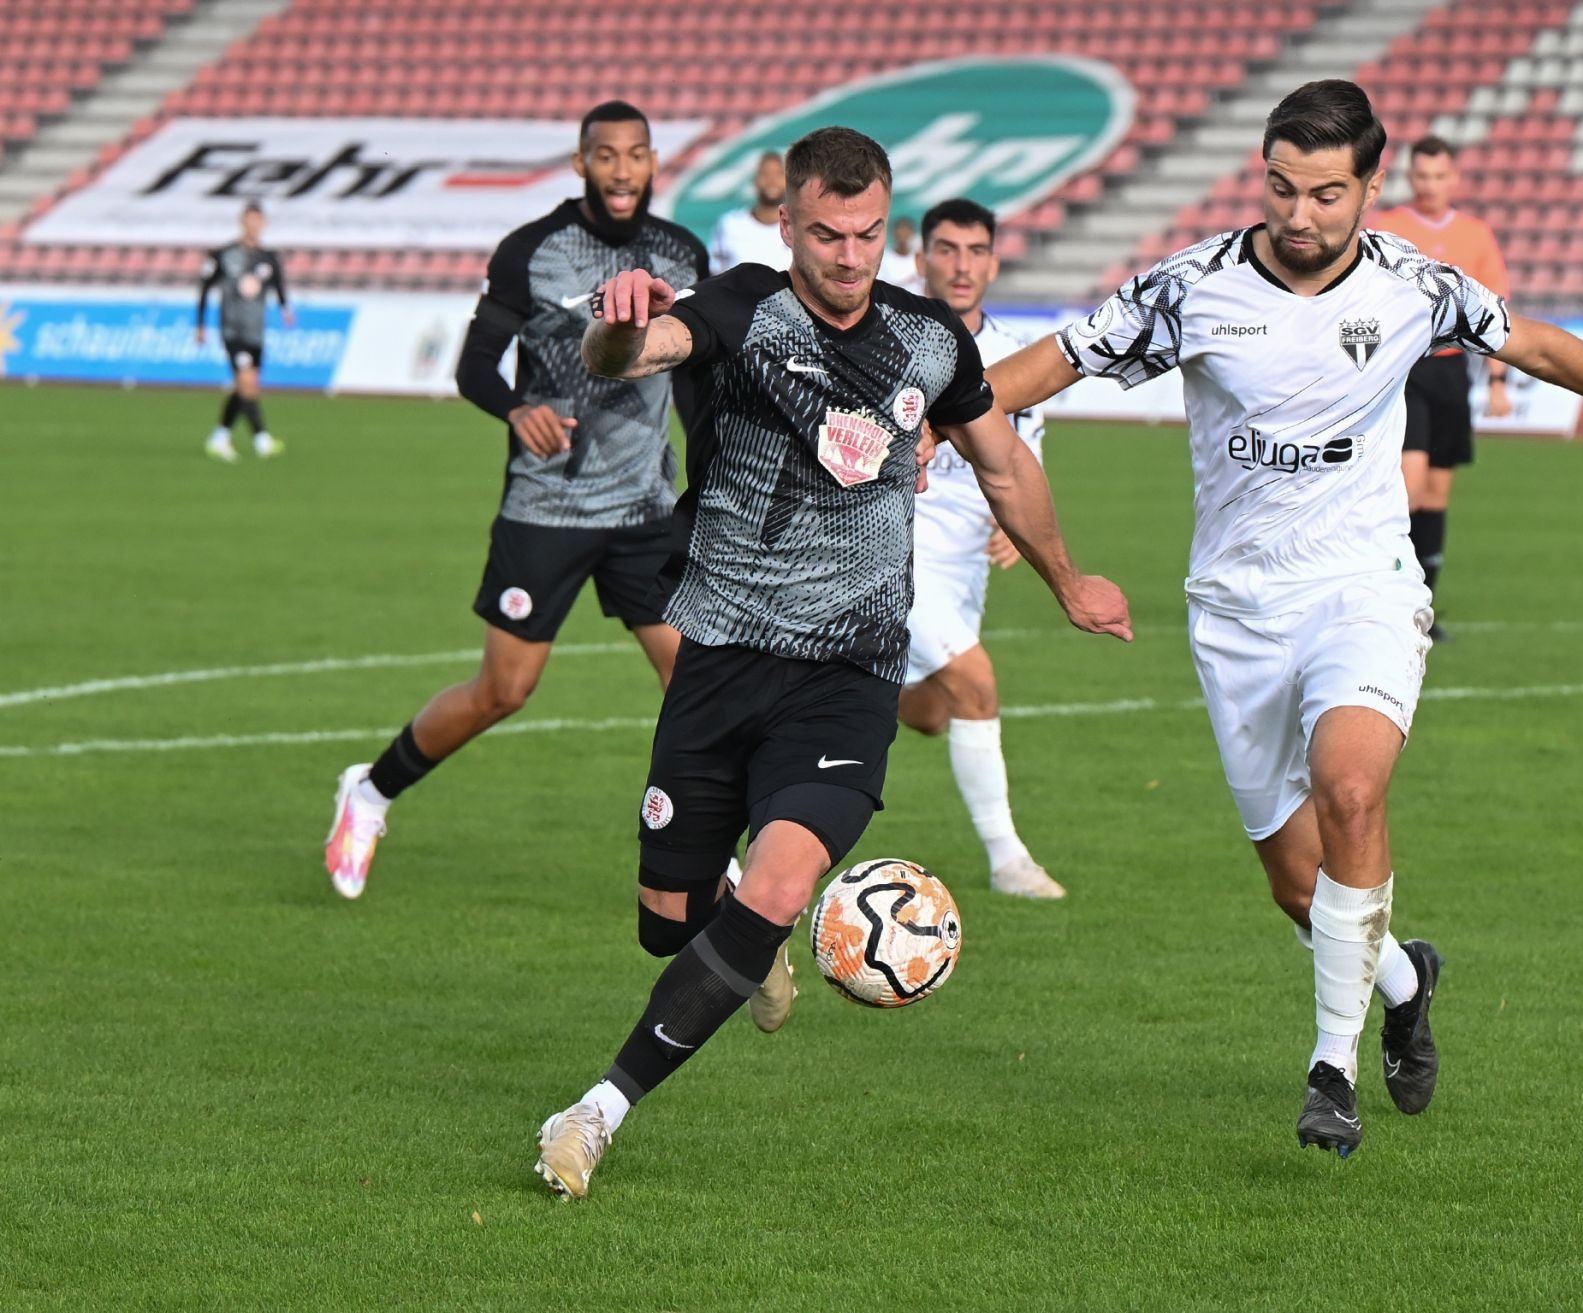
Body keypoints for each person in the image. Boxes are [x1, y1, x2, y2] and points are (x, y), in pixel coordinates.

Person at [987, 80, 1583, 1158]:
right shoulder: (1191, 287)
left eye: (1325, 193)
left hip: (1363, 584)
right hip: (1236, 611)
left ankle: (1330, 1070)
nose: (1298, 214)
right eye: (1280, 188)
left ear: (1369, 186)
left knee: (1351, 787)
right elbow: (1036, 371)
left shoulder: (1414, 282)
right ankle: (1406, 982)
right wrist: (938, 427)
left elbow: (1537, 345)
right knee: (1297, 886)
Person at [534, 126, 1131, 1200]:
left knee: (781, 878)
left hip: (849, 673)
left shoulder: (928, 340)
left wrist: (1068, 578)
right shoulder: (743, 307)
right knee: (666, 923)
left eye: (867, 234)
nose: (849, 257)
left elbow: (1003, 463)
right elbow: (633, 355)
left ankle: (595, 1111)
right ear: (787, 224)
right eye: (826, 235)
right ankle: (749, 939)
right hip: (721, 657)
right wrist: (616, 328)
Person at [323, 101, 708, 903]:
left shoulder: (682, 253)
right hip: (546, 510)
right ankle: (370, 791)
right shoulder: (531, 251)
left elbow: (694, 379)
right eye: (607, 154)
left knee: (696, 684)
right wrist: (515, 408)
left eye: (637, 153)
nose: (624, 170)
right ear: (581, 163)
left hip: (645, 509)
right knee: (503, 690)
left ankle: (706, 853)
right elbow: (474, 366)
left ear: (653, 161)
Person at [899, 197, 1060, 899]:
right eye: (946, 249)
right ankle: (1009, 860)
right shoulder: (889, 341)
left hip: (967, 565)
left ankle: (838, 682)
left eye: (975, 252)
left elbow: (1026, 461)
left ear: (993, 264)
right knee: (976, 682)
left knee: (931, 713)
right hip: (893, 553)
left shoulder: (1018, 360)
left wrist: (1016, 528)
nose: (961, 266)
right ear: (921, 259)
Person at [1370, 135, 1514, 638]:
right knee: (1407, 487)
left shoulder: (1475, 235)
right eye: (1422, 175)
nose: (1429, 185)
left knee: (1436, 493)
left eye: (1439, 176)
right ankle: (1382, 593)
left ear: (1454, 179)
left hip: (1453, 372)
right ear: (1410, 177)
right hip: (1407, 369)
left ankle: (1420, 610)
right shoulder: (1388, 228)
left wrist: (1498, 382)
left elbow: (1494, 309)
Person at [196, 201, 292, 461]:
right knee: (247, 383)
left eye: (257, 220)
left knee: (246, 387)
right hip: (232, 329)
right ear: (242, 222)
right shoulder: (223, 255)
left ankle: (220, 436)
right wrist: (200, 325)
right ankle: (262, 440)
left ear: (264, 224)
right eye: (250, 220)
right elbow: (204, 287)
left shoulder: (268, 258)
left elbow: (279, 284)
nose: (254, 225)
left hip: (255, 331)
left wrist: (285, 308)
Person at [708, 151, 791, 273]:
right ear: (754, 180)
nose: (771, 180)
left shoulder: (798, 227)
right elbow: (715, 272)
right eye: (764, 174)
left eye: (778, 174)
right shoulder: (730, 224)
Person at [879, 216, 923, 292]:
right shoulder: (883, 258)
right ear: (893, 233)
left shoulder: (919, 257)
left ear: (912, 233)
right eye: (900, 232)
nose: (903, 234)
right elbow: (881, 286)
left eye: (906, 232)